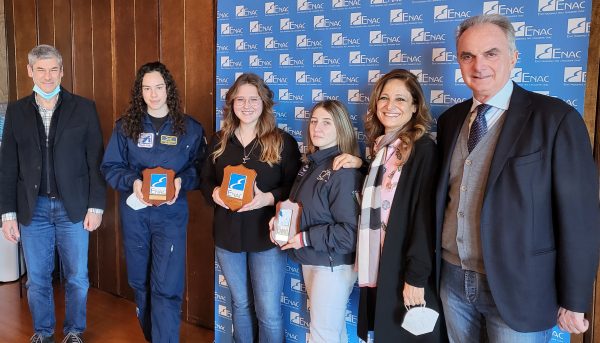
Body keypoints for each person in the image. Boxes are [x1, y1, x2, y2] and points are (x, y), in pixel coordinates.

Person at [435, 14, 600, 342]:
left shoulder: (555, 119)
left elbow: (579, 217)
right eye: (468, 56)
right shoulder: (451, 120)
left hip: (521, 285)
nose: (478, 65)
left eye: (491, 53)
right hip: (452, 280)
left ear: (513, 57)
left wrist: (575, 298)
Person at [0, 44, 106, 343]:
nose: (48, 76)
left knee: (77, 278)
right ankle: (43, 333)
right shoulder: (17, 111)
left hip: (74, 208)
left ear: (62, 71)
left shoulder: (84, 108)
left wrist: (96, 207)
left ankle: (74, 331)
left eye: (53, 69)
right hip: (32, 210)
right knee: (37, 280)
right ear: (30, 71)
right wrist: (7, 214)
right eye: (41, 70)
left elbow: (95, 161)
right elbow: (7, 166)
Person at [101, 61, 206, 342]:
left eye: (159, 87)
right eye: (147, 88)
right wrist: (133, 182)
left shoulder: (190, 129)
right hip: (136, 217)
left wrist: (183, 181)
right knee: (141, 283)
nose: (154, 94)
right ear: (140, 92)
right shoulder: (126, 127)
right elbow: (110, 167)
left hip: (170, 217)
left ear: (168, 89)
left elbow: (202, 168)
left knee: (166, 286)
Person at [336, 69, 442, 342]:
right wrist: (362, 165)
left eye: (400, 99)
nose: (390, 106)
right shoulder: (380, 150)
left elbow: (424, 218)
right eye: (384, 98)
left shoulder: (423, 151)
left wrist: (416, 276)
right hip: (381, 265)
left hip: (405, 268)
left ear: (415, 106)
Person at [200, 73, 301, 342]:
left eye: (253, 99)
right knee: (241, 305)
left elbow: (295, 187)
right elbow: (205, 179)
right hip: (227, 234)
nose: (246, 105)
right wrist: (214, 193)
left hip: (266, 238)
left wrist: (268, 198)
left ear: (264, 103)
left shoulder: (282, 141)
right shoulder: (219, 141)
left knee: (268, 311)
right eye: (240, 99)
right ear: (231, 103)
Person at [269, 100, 362, 343]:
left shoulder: (343, 170)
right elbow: (300, 209)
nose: (317, 128)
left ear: (340, 128)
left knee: (322, 336)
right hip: (313, 258)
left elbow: (349, 234)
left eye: (326, 123)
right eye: (314, 121)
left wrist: (304, 237)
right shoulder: (311, 163)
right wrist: (280, 223)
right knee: (332, 333)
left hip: (331, 265)